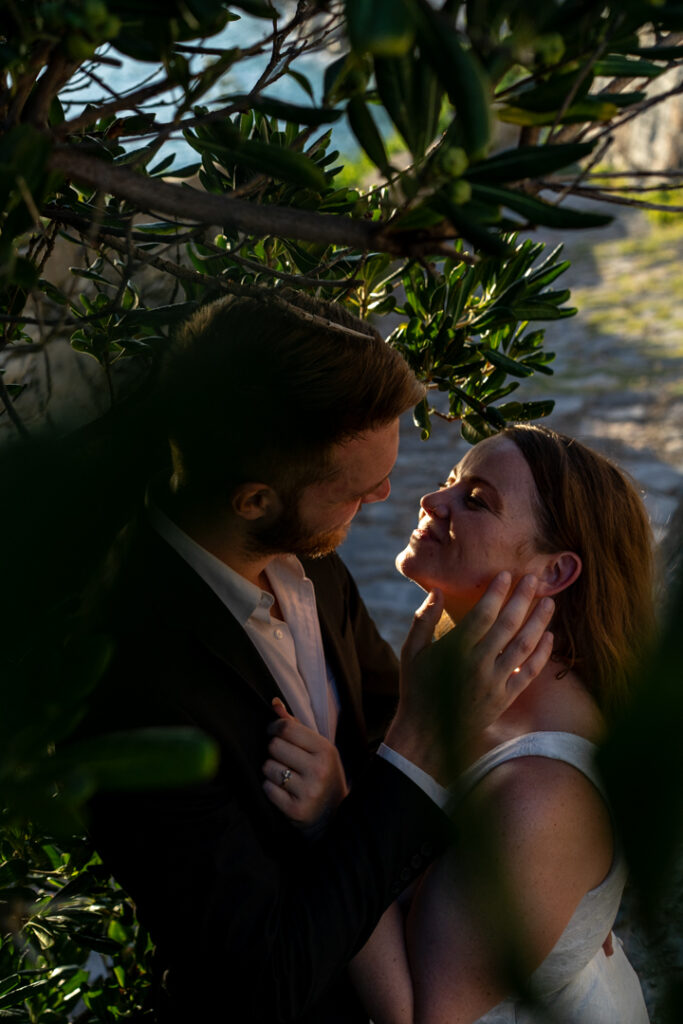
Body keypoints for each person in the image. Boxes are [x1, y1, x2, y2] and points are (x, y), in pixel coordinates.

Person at [78, 293, 555, 1024]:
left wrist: (354, 797)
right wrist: (414, 756)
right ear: (253, 501)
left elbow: (374, 741)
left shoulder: (309, 561)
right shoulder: (132, 681)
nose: (392, 495)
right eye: (359, 493)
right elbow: (264, 983)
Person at [268, 424, 654, 1024]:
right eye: (451, 481)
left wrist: (334, 820)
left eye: (476, 500)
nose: (432, 500)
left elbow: (425, 1017)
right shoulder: (485, 688)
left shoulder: (542, 792)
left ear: (554, 574)